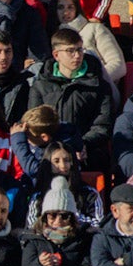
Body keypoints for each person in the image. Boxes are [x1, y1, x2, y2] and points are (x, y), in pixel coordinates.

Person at [28, 28, 114, 171]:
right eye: (70, 51)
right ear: (56, 55)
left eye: (80, 50)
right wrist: (58, 149)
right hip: (50, 153)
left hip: (88, 151)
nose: (77, 55)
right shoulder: (40, 86)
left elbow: (103, 124)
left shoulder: (98, 85)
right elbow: (35, 123)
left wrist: (82, 144)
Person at [50, 0, 124, 85]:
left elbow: (118, 65)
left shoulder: (96, 29)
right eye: (60, 7)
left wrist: (93, 80)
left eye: (70, 7)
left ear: (77, 9)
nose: (66, 12)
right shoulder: (50, 35)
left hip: (99, 88)